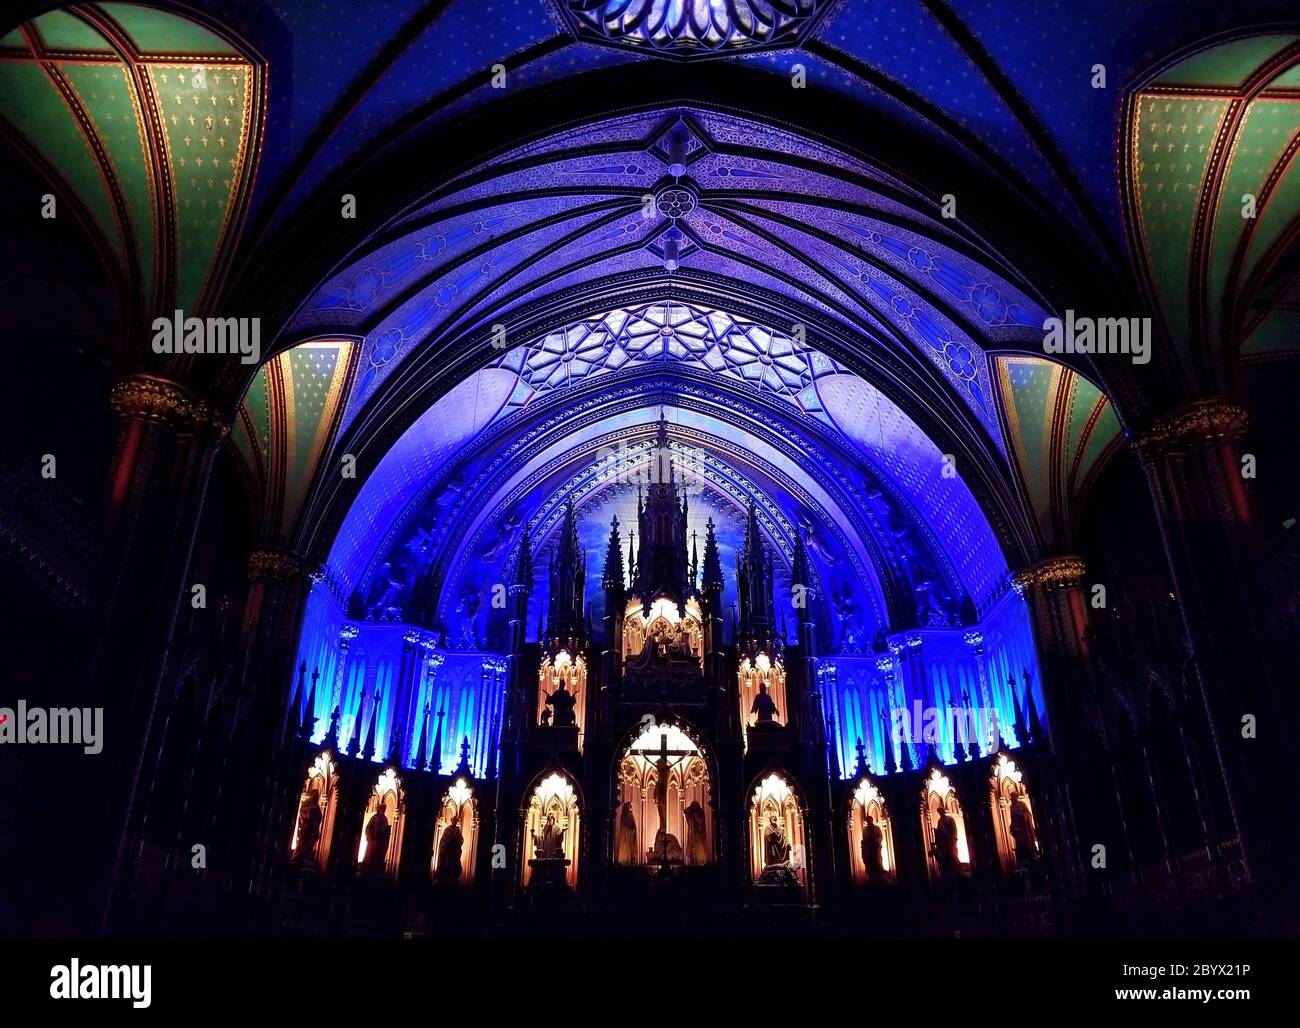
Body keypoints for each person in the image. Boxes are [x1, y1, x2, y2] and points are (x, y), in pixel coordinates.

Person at [294, 786, 322, 863]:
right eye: (315, 794)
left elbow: (319, 816)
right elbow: (303, 811)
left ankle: (307, 855)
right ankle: (298, 856)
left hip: (313, 827)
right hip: (306, 827)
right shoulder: (307, 804)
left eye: (317, 795)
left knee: (310, 842)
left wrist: (315, 820)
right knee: (303, 841)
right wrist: (310, 816)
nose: (316, 796)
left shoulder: (316, 806)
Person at [932, 802, 961, 875]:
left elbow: (954, 829)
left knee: (953, 855)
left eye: (940, 811)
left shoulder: (950, 819)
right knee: (946, 857)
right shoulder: (939, 821)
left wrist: (954, 838)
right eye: (938, 811)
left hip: (951, 841)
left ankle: (957, 869)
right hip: (944, 843)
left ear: (943, 811)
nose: (940, 813)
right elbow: (939, 832)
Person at [363, 801, 392, 872]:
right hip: (373, 839)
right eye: (382, 809)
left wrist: (387, 830)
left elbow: (385, 830)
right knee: (370, 856)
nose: (383, 810)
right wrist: (369, 836)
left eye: (384, 809)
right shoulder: (374, 817)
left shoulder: (385, 819)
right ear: (379, 809)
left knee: (378, 856)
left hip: (380, 841)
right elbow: (368, 827)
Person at [435, 816, 464, 884]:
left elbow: (461, 840)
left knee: (454, 866)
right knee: (447, 865)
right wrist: (449, 840)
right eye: (453, 820)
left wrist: (457, 840)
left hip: (455, 852)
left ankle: (453, 878)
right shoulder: (448, 829)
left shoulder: (458, 830)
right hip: (448, 851)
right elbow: (443, 839)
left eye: (456, 821)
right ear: (451, 821)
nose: (455, 822)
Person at [861, 813, 885, 881]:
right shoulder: (865, 830)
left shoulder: (877, 828)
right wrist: (868, 842)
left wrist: (877, 841)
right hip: (869, 848)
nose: (869, 821)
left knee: (878, 860)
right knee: (871, 862)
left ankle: (880, 875)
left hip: (876, 847)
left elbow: (880, 836)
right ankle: (872, 876)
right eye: (867, 820)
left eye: (870, 820)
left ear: (872, 820)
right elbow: (864, 838)